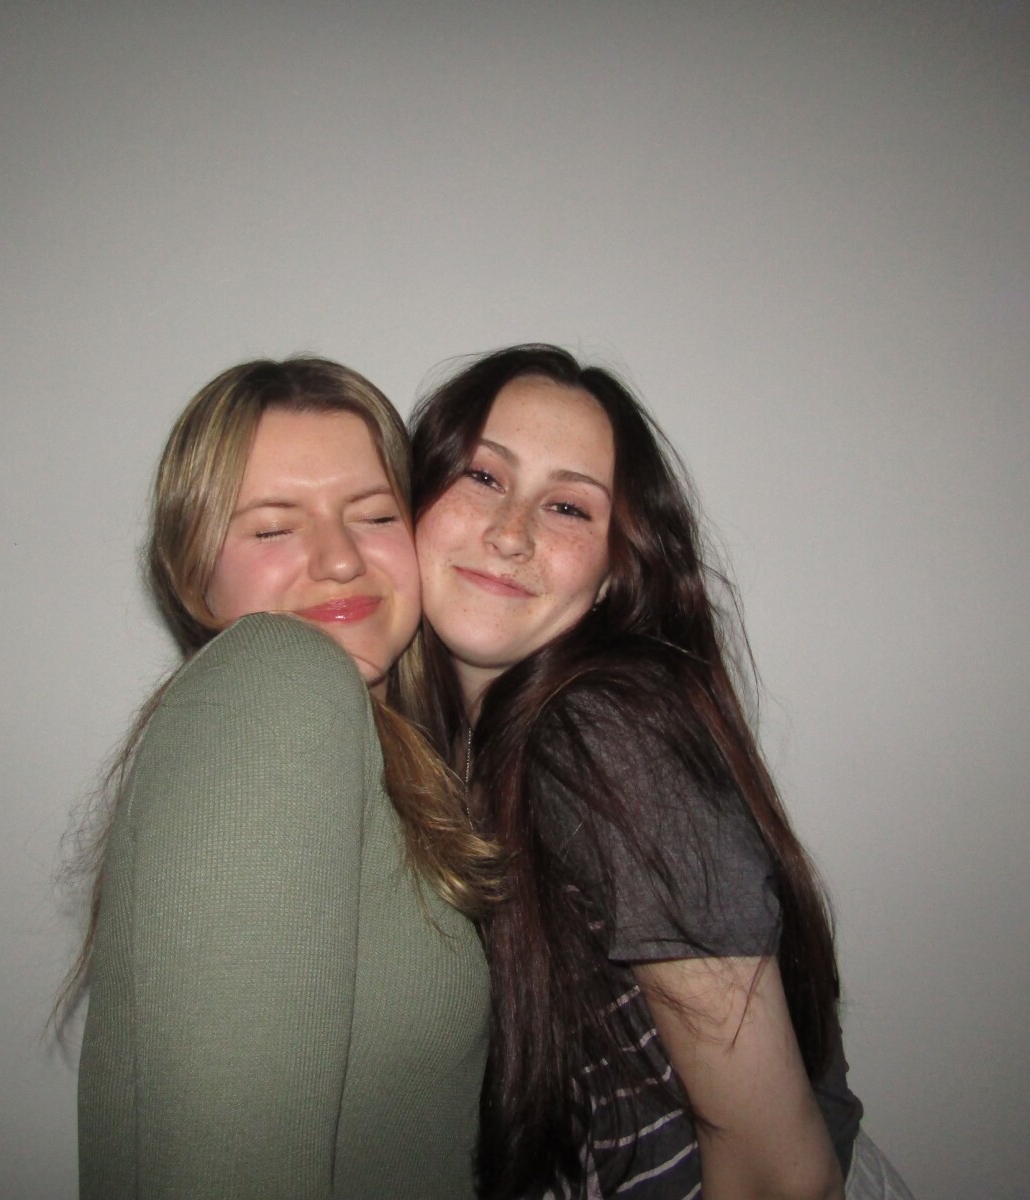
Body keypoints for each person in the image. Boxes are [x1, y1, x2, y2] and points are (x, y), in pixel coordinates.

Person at [410, 345, 912, 1200]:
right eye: (484, 477)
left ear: (614, 572)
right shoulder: (459, 756)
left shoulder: (599, 734)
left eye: (568, 507)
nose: (511, 533)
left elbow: (780, 1175)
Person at [64, 357, 500, 1198]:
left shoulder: (387, 758)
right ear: (192, 572)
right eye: (272, 529)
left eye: (375, 515)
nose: (339, 560)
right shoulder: (278, 684)